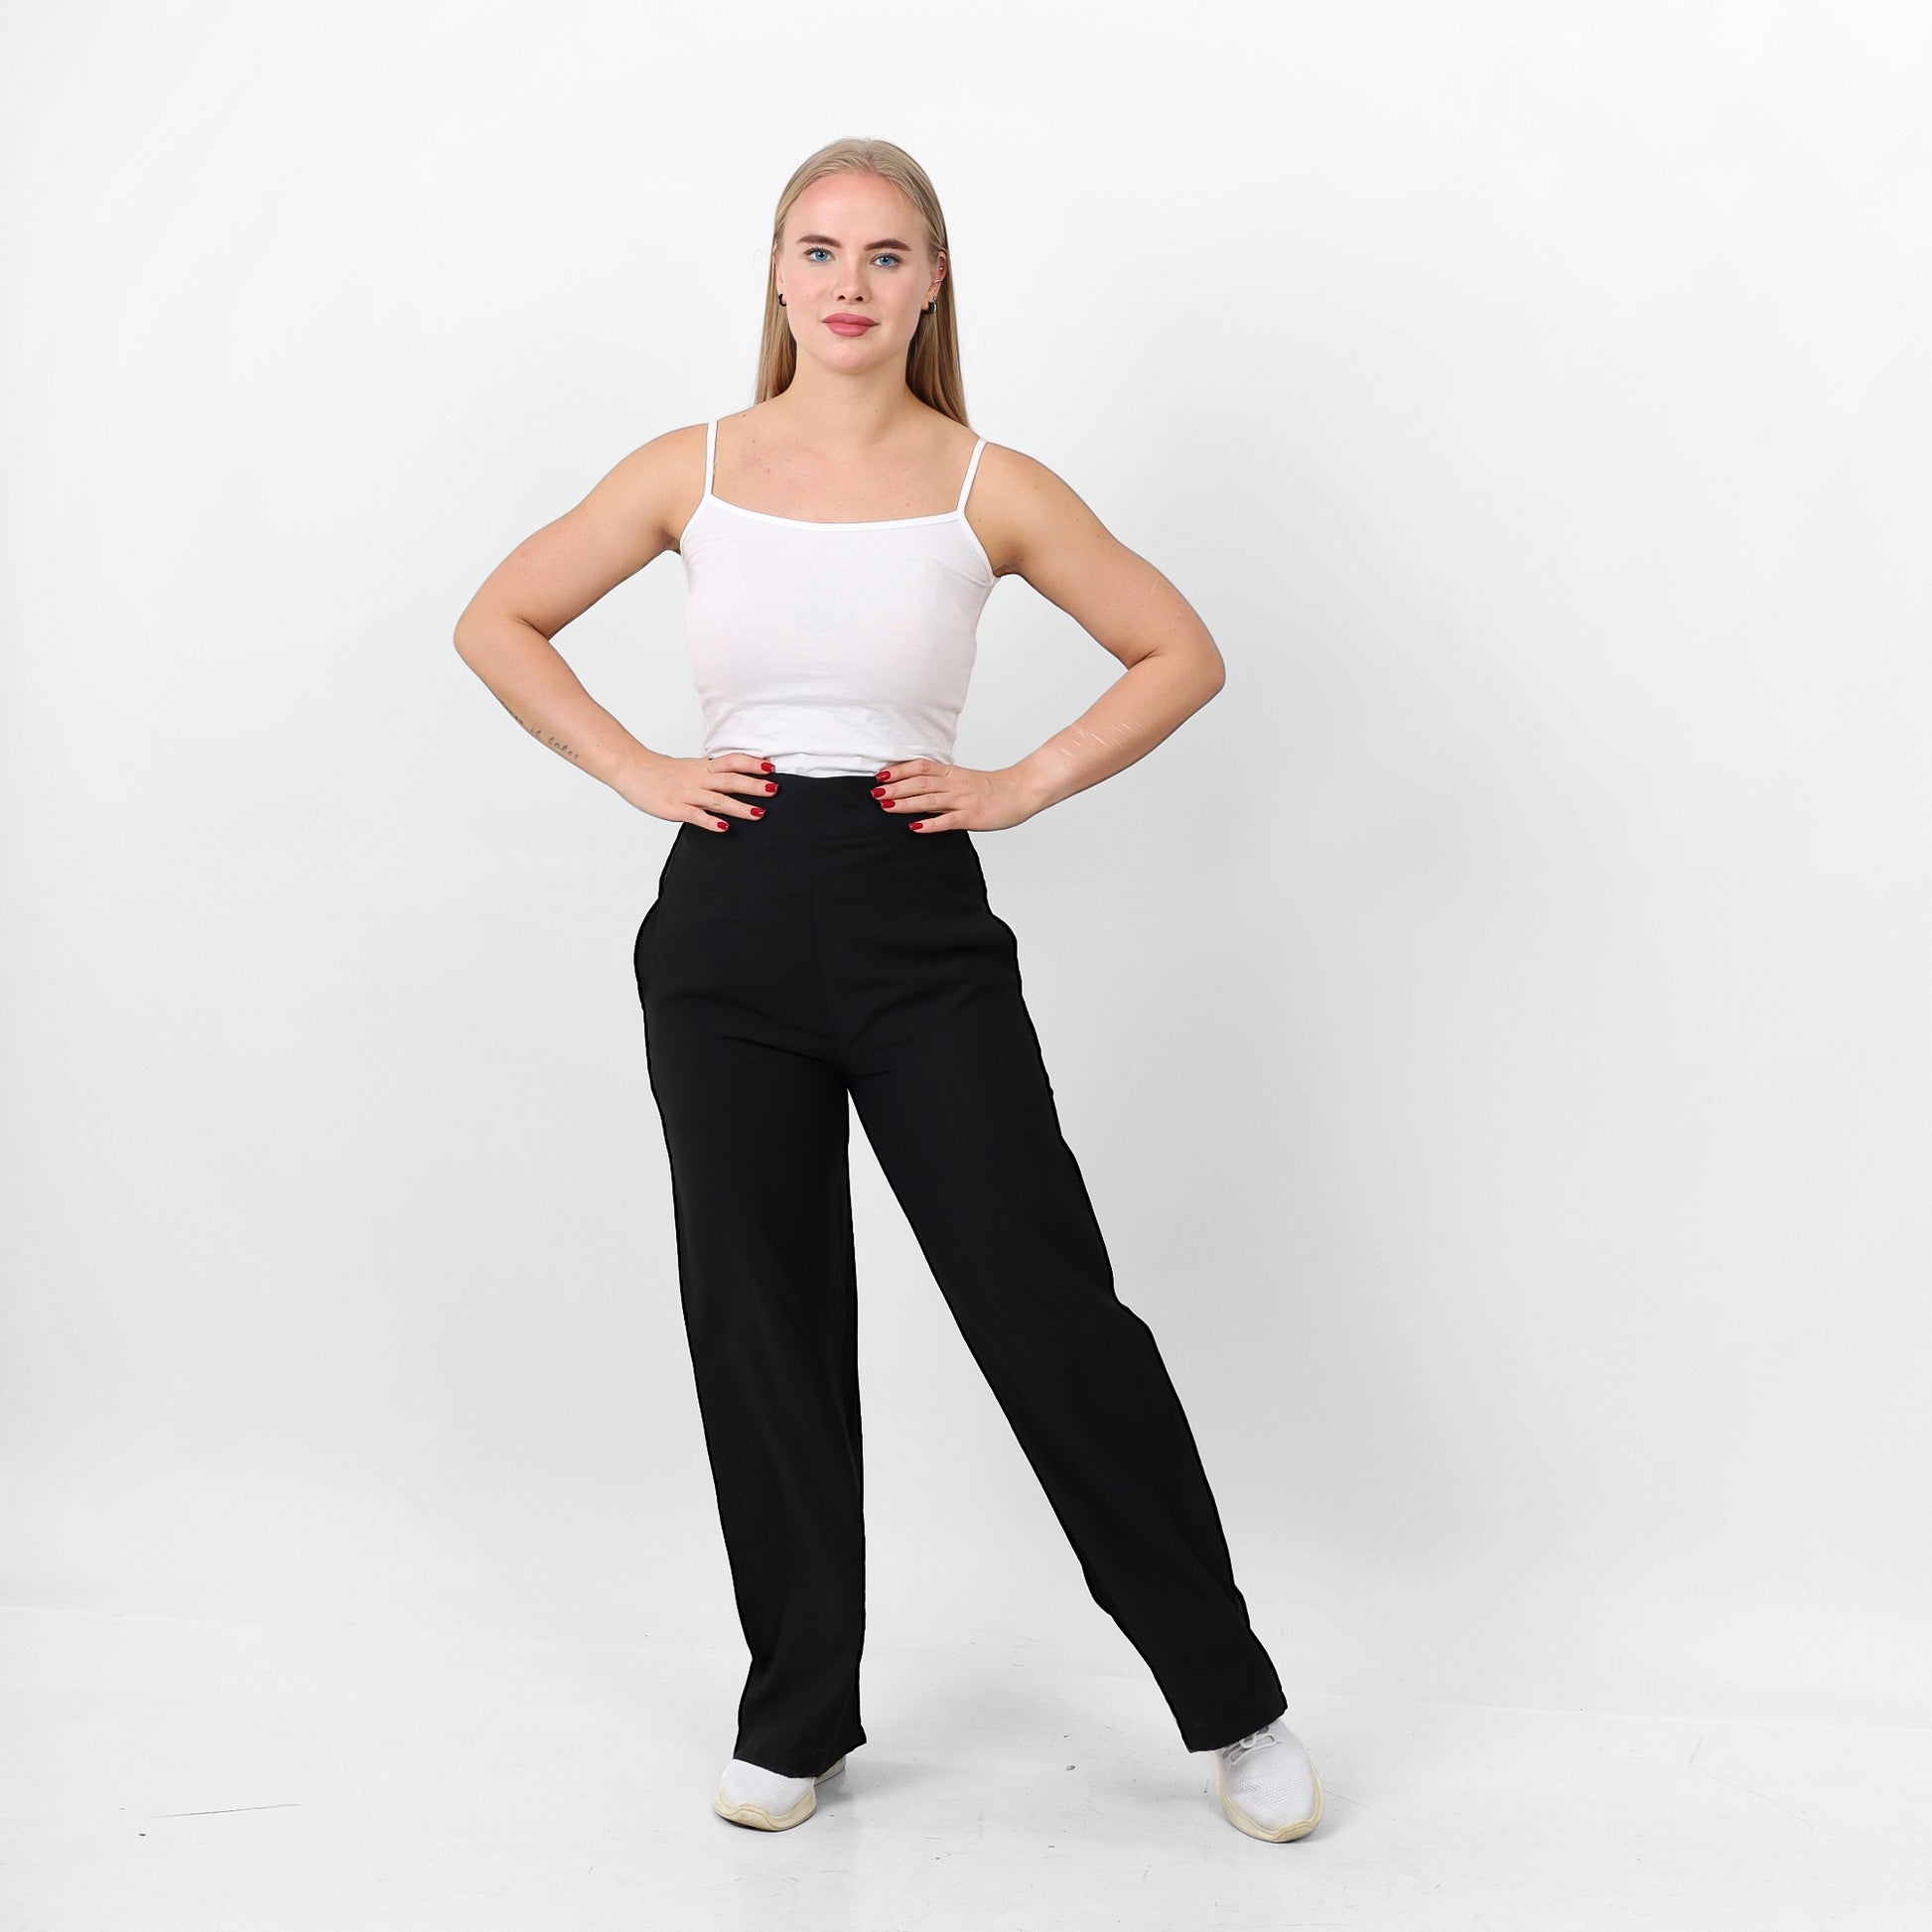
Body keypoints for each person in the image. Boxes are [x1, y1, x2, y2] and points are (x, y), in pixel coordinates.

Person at [453, 136, 1321, 1846]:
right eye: (818, 249)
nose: (847, 283)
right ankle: (796, 1714)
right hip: (726, 920)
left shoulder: (987, 480)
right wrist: (637, 767)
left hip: (916, 918)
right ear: (777, 276)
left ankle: (1235, 1701)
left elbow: (1180, 650)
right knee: (760, 1321)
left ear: (931, 284)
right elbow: (499, 618)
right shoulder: (690, 467)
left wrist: (1021, 781)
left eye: (884, 254)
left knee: (1046, 1309)